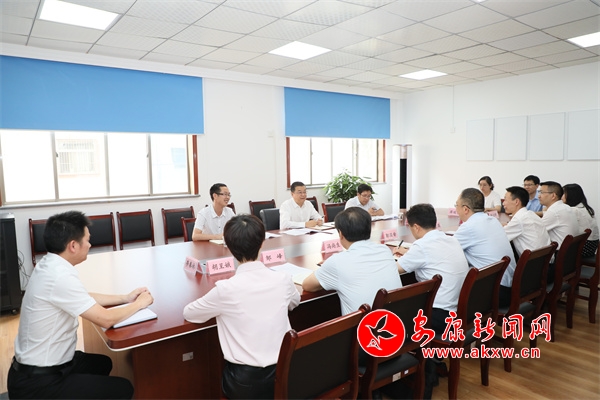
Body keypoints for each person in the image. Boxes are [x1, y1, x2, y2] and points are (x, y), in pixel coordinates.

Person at [8, 211, 153, 399]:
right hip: (36, 383)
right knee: (123, 388)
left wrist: (125, 298)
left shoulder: (50, 264)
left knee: (102, 364)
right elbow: (106, 319)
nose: (90, 245)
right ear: (73, 246)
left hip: (39, 369)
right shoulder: (59, 276)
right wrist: (140, 303)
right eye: (87, 240)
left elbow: (83, 297)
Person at [183, 214, 300, 399]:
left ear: (229, 248)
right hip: (286, 373)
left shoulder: (226, 289)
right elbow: (295, 301)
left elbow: (189, 313)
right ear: (261, 243)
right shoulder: (283, 279)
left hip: (245, 383)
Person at [302, 207, 401, 315]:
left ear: (340, 234)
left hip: (363, 325)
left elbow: (307, 285)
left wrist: (328, 267)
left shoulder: (337, 262)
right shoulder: (384, 250)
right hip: (396, 321)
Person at [394, 204, 469, 335]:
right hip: (461, 310)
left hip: (440, 316)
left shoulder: (422, 246)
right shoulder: (451, 240)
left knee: (393, 310)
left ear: (416, 227)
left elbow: (395, 270)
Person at [453, 188, 516, 294]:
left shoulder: (469, 227)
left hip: (495, 290)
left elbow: (447, 251)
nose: (456, 209)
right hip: (508, 284)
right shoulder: (493, 221)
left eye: (456, 205)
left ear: (465, 209)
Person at [501, 186, 551, 307]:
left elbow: (499, 239)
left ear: (516, 202)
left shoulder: (519, 220)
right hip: (544, 266)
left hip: (531, 274)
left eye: (506, 199)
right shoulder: (530, 215)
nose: (503, 203)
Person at [538, 181, 580, 248]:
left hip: (559, 251)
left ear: (553, 196)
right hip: (570, 250)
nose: (539, 196)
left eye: (542, 192)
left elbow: (536, 230)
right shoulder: (564, 207)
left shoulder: (554, 212)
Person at [562, 183, 599, 258]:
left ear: (571, 195)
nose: (561, 196)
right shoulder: (585, 208)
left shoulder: (574, 210)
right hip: (592, 246)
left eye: (563, 194)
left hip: (584, 247)